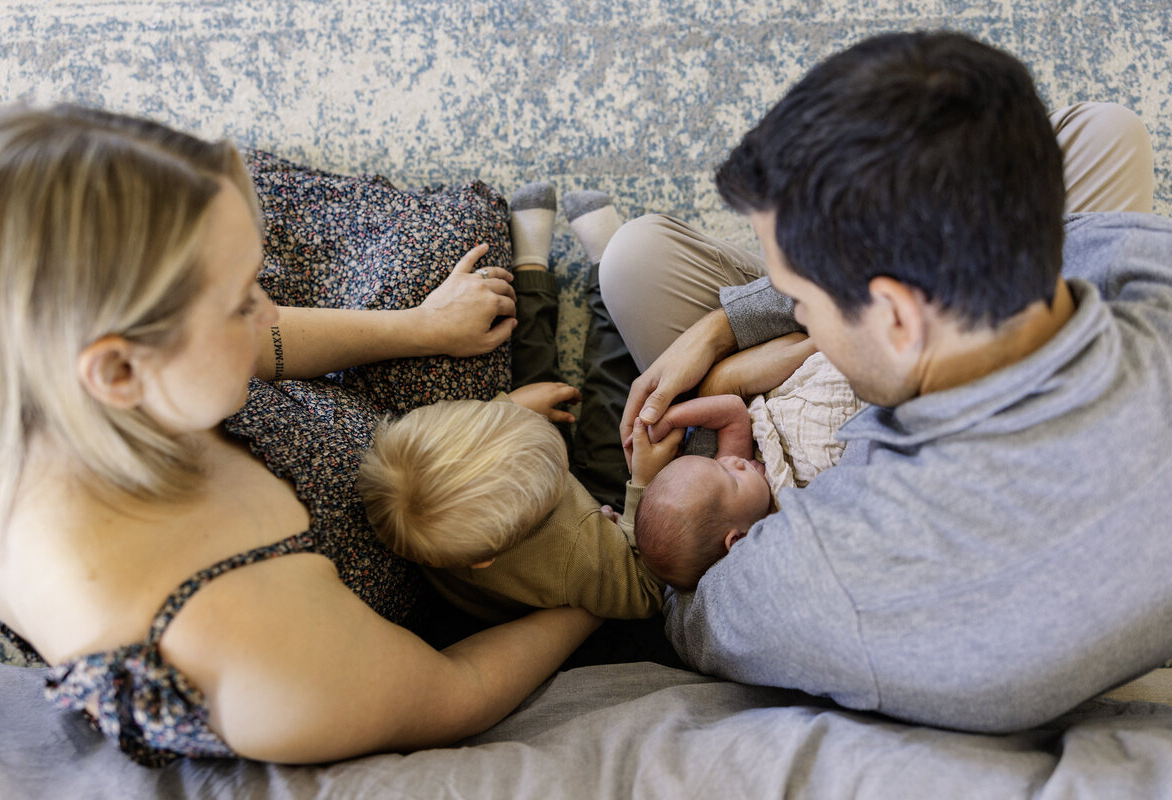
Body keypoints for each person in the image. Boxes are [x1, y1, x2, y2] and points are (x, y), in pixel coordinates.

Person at [0, 104, 601, 767]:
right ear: (120, 369)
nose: (268, 309)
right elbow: (459, 689)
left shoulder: (33, 356)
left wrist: (420, 325)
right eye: (242, 299)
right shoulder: (260, 655)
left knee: (457, 256)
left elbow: (255, 346)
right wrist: (592, 604)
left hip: (325, 431)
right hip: (401, 561)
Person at [600, 30, 1171, 733]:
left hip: (822, 461)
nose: (793, 307)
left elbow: (690, 607)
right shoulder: (1146, 268)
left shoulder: (845, 572)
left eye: (800, 297)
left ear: (898, 318)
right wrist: (725, 328)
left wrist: (684, 453)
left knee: (635, 264)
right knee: (1108, 130)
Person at [357, 184, 665, 623]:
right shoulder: (576, 551)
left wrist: (513, 405)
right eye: (556, 472)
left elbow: (479, 445)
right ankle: (606, 272)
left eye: (492, 415)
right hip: (601, 516)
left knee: (532, 374)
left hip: (518, 501)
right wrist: (643, 487)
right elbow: (647, 591)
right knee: (619, 402)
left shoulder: (439, 532)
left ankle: (531, 267)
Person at [632, 352, 865, 591]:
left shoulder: (732, 475)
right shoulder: (782, 535)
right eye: (732, 479)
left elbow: (732, 410)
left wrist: (671, 419)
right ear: (739, 538)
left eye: (718, 462)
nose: (734, 461)